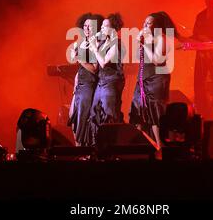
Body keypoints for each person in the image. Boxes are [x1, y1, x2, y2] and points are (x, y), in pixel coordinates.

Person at [129, 11, 180, 148]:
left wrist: (144, 44)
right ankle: (145, 145)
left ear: (156, 26)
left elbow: (158, 60)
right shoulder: (148, 39)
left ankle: (160, 146)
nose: (145, 24)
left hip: (156, 79)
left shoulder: (162, 38)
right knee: (138, 112)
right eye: (144, 22)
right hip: (143, 78)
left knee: (155, 113)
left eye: (149, 22)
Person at [88, 13, 125, 146]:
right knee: (95, 110)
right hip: (101, 81)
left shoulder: (117, 43)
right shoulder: (104, 42)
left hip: (112, 81)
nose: (102, 29)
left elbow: (103, 62)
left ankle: (111, 146)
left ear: (114, 28)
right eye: (101, 26)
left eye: (105, 26)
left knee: (109, 113)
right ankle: (97, 145)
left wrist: (94, 48)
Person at [68, 13, 104, 146]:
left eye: (90, 26)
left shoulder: (97, 43)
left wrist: (79, 59)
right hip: (79, 84)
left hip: (89, 84)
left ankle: (82, 148)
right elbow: (75, 61)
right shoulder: (83, 42)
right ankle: (78, 147)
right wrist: (74, 56)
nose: (87, 28)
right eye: (85, 25)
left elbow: (94, 69)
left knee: (81, 117)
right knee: (72, 115)